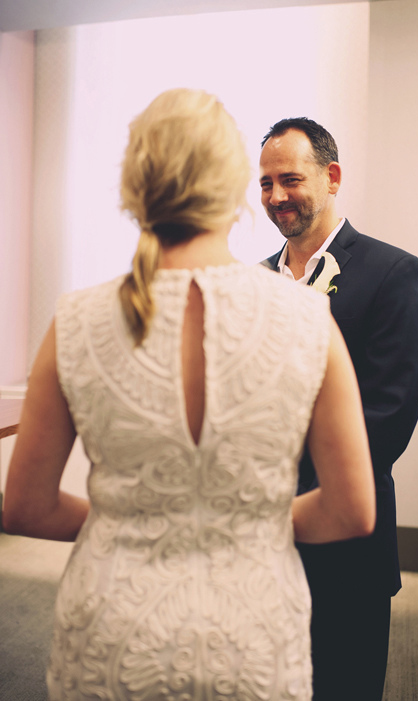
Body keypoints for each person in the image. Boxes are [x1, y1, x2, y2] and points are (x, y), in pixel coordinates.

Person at [3, 90, 375, 701]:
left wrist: (140, 523)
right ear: (236, 189)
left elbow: (24, 508)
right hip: (254, 638)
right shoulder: (308, 320)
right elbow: (351, 510)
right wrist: (241, 524)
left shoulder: (76, 321)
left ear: (134, 186)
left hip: (113, 636)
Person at [259, 117, 418, 701]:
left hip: (347, 539)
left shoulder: (392, 273)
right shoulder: (252, 284)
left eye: (289, 179)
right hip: (258, 546)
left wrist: (294, 500)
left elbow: (389, 417)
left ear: (331, 177)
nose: (276, 197)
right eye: (265, 184)